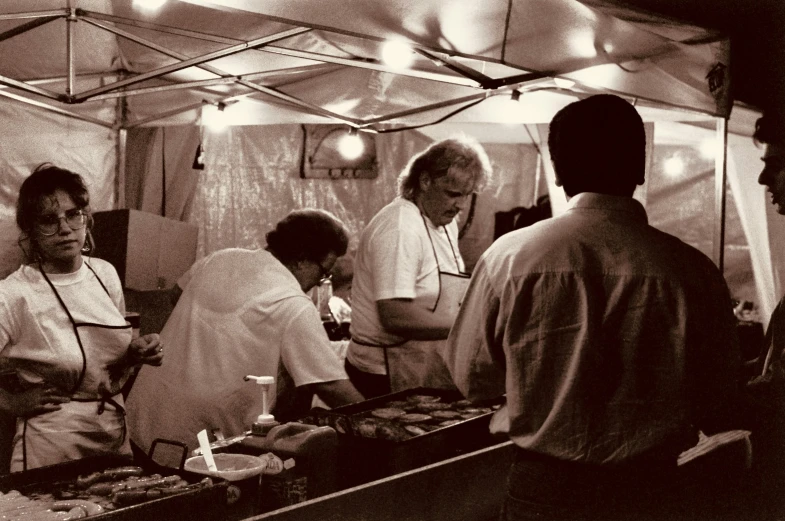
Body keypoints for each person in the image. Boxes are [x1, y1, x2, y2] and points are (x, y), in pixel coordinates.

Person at [442, 95, 745, 521]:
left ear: (560, 170)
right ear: (640, 167)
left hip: (545, 490)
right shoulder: (693, 271)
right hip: (651, 492)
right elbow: (718, 394)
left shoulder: (509, 258)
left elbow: (472, 379)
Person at [125, 209, 364, 459]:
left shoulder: (221, 258)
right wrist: (371, 416)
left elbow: (176, 295)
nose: (320, 282)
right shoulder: (293, 303)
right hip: (200, 440)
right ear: (302, 259)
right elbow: (331, 387)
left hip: (144, 415)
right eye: (323, 272)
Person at [0, 164, 163, 472]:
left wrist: (136, 352)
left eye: (74, 214)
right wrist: (12, 403)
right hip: (52, 445)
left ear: (86, 218)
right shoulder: (13, 294)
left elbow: (104, 356)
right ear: (30, 230)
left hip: (113, 433)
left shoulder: (104, 273)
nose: (64, 228)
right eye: (49, 220)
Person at [346, 136, 491, 398]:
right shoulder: (401, 227)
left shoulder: (446, 222)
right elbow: (395, 315)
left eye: (467, 196)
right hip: (382, 373)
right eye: (453, 194)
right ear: (425, 181)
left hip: (421, 365)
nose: (460, 205)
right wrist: (471, 324)